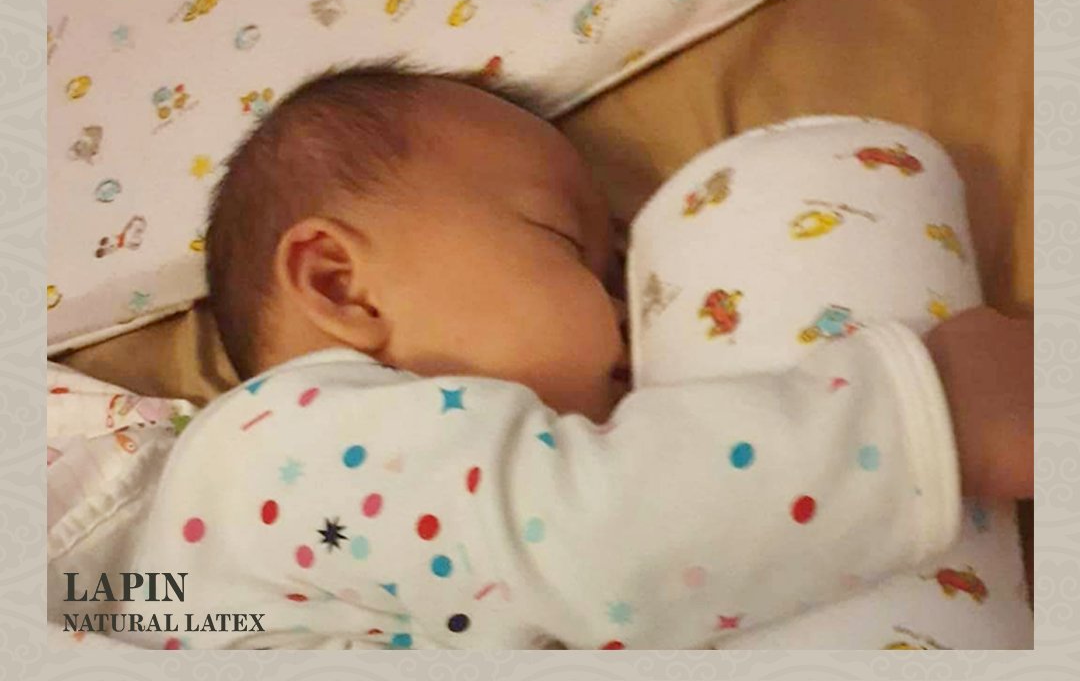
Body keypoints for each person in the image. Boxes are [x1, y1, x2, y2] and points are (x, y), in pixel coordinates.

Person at [115, 63, 1032, 650]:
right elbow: (587, 533)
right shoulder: (283, 442)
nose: (631, 318)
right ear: (341, 286)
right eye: (566, 245)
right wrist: (928, 415)